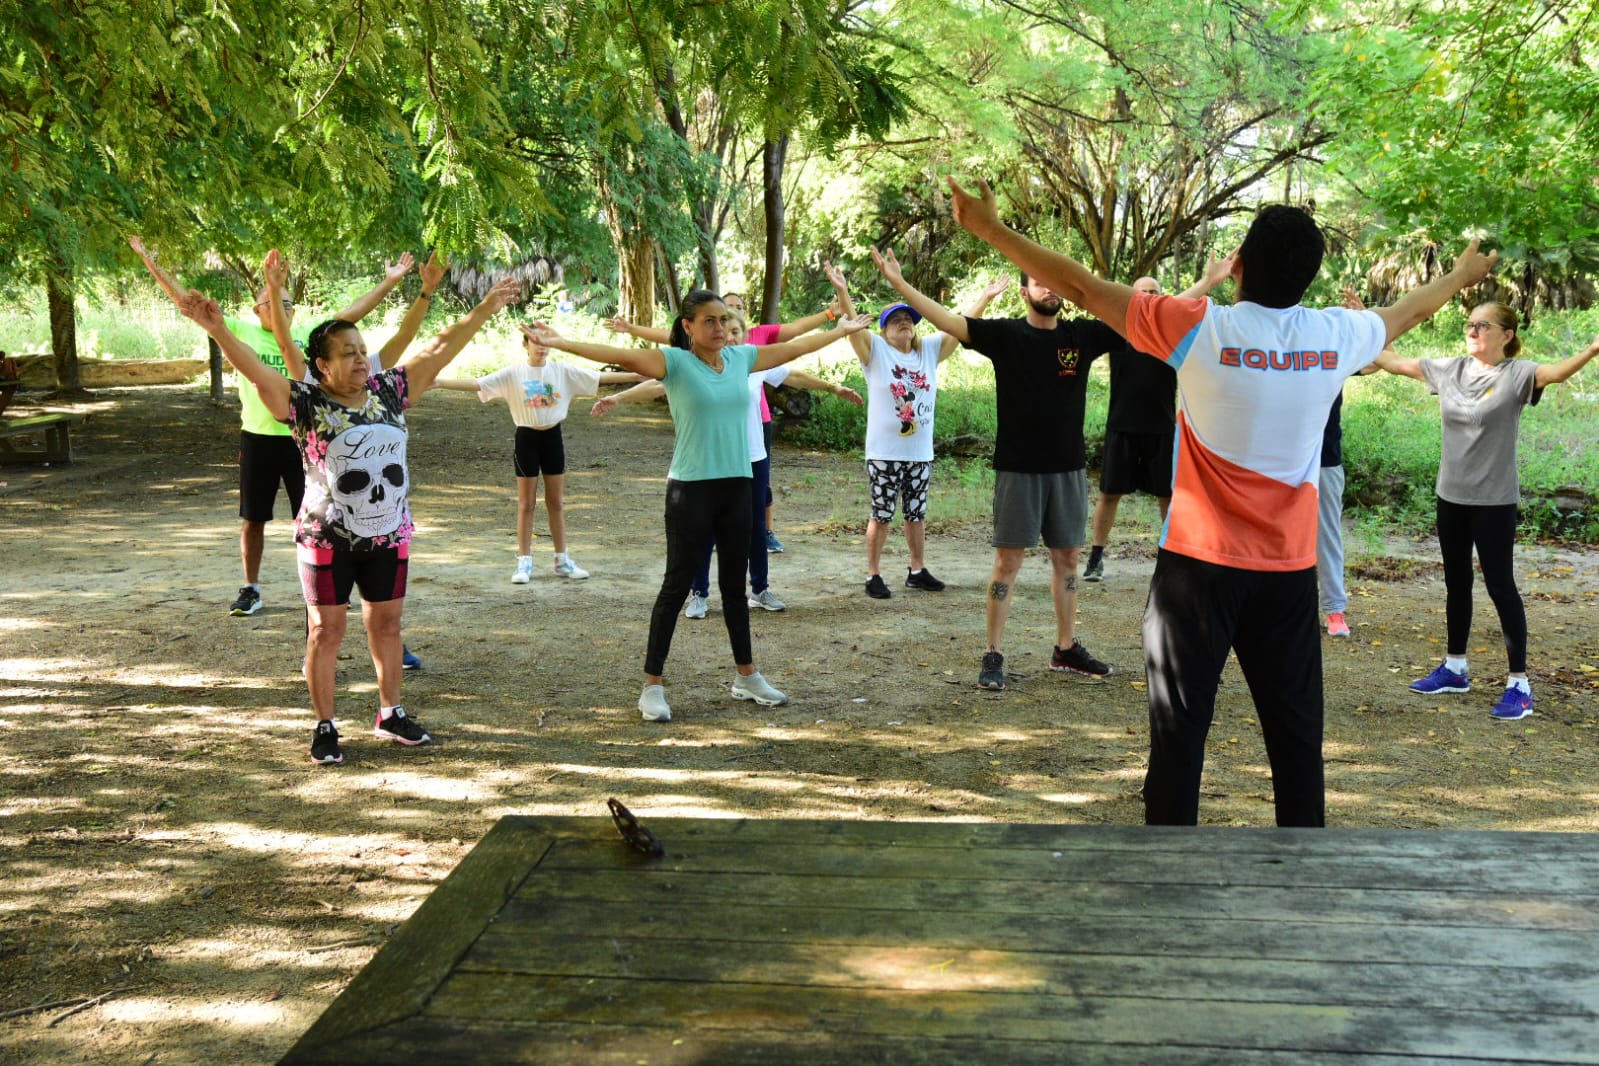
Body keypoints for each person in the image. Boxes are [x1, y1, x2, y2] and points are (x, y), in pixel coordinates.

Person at [947, 176, 1497, 825]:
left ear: (1235, 267)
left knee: (1176, 745)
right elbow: (1407, 310)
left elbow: (1082, 288)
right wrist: (1460, 275)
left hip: (1195, 573)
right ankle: (1297, 881)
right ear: (1311, 276)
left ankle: (1171, 884)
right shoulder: (1334, 337)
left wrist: (990, 230)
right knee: (1296, 749)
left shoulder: (1196, 328)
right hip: (1287, 578)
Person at [160, 245, 521, 764]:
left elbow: (441, 347)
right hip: (325, 539)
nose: (360, 358)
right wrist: (217, 329)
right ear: (321, 366)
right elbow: (255, 370)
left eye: (361, 349)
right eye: (348, 352)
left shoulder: (390, 391)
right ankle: (325, 724)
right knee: (327, 631)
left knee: (388, 626)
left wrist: (485, 308)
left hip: (389, 535)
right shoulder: (303, 402)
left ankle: (390, 712)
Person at [530, 292, 871, 722]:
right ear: (688, 326)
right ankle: (652, 685)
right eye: (708, 321)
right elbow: (619, 353)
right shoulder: (675, 363)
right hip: (690, 490)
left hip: (737, 487)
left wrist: (839, 331)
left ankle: (747, 676)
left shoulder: (742, 359)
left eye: (722, 319)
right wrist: (562, 343)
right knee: (676, 587)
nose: (717, 328)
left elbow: (793, 348)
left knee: (734, 586)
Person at [858, 249, 1136, 688]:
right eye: (1040, 281)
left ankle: (1065, 648)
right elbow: (948, 321)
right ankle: (993, 654)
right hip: (1018, 470)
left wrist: (1201, 287)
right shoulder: (1006, 336)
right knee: (1008, 563)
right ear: (1025, 292)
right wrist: (900, 285)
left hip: (1068, 470)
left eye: (1056, 281)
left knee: (1067, 559)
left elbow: (1145, 313)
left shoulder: (1083, 335)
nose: (1050, 288)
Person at [131, 237, 423, 619]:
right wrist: (152, 264)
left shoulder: (306, 338)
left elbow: (351, 315)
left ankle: (324, 591)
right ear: (258, 309)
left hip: (312, 444)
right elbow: (191, 304)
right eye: (275, 302)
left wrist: (391, 281)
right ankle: (250, 587)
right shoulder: (240, 330)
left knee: (322, 518)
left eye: (289, 304)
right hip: (260, 438)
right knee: (254, 517)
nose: (283, 308)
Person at [1377, 305, 1599, 720]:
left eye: (1484, 325)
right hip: (1452, 497)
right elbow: (1390, 360)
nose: (1474, 330)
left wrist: (1591, 349)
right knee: (1456, 583)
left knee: (1500, 586)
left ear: (1506, 335)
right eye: (1470, 324)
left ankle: (1520, 684)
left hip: (1494, 501)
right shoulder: (1450, 369)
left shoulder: (1517, 374)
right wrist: (1365, 327)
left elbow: (1556, 373)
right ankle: (1455, 668)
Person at [594, 311, 862, 616]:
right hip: (714, 460)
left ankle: (760, 589)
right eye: (725, 329)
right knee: (704, 527)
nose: (730, 335)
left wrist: (834, 388)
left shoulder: (752, 362)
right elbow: (658, 385)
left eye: (736, 331)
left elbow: (792, 374)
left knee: (755, 526)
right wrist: (618, 399)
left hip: (753, 458)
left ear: (744, 336)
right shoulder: (695, 366)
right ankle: (699, 593)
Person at [822, 258, 1007, 601]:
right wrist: (842, 290)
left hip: (919, 454)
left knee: (916, 513)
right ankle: (873, 574)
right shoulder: (875, 352)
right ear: (883, 329)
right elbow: (853, 326)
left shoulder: (929, 352)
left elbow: (958, 325)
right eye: (896, 320)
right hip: (883, 454)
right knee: (881, 514)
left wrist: (985, 297)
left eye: (908, 319)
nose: (904, 323)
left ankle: (917, 570)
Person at [609, 295, 843, 558]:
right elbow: (664, 342)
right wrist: (631, 331)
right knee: (713, 510)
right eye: (723, 311)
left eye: (736, 310)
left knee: (757, 492)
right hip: (713, 446)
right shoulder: (695, 356)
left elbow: (796, 340)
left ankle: (761, 547)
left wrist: (831, 318)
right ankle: (704, 578)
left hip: (758, 429)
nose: (727, 319)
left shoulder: (753, 346)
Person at [435, 325, 642, 583]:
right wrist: (439, 382)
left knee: (556, 502)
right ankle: (524, 564)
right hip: (526, 439)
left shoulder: (562, 371)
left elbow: (599, 378)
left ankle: (562, 561)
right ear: (525, 345)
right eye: (536, 342)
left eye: (546, 342)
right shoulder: (514, 373)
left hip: (552, 438)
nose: (541, 347)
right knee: (526, 503)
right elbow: (478, 383)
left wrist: (640, 373)